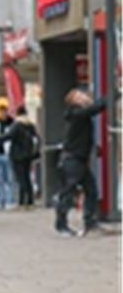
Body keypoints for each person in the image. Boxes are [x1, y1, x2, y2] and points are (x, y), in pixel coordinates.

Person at [54, 89, 108, 237]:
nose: (85, 97)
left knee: (91, 190)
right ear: (74, 101)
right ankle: (61, 225)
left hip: (79, 159)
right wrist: (112, 95)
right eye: (80, 96)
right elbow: (95, 108)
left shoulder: (80, 115)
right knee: (68, 193)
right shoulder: (76, 113)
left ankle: (90, 223)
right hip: (72, 160)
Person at [6, 105, 40, 209]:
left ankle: (22, 201)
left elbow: (8, 136)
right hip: (28, 155)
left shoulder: (17, 125)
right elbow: (37, 138)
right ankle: (29, 200)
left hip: (17, 155)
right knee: (27, 177)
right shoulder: (30, 125)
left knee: (20, 179)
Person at [0, 105, 16, 210]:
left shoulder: (12, 124)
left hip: (8, 153)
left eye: (4, 112)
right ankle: (1, 200)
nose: (3, 114)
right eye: (1, 112)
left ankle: (10, 200)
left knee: (10, 178)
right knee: (0, 179)